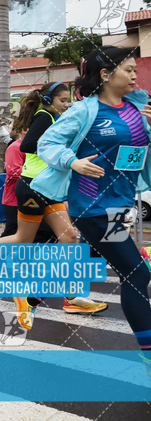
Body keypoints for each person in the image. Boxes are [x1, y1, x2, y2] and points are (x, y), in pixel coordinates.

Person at [30, 47, 150, 356]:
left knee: (98, 260)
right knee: (136, 273)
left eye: (136, 69)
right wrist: (73, 161)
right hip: (91, 204)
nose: (135, 74)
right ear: (106, 75)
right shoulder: (85, 111)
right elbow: (48, 142)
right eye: (129, 69)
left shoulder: (136, 110)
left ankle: (36, 291)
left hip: (119, 203)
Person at [0, 80, 106, 322]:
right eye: (62, 101)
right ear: (49, 100)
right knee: (22, 239)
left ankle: (72, 297)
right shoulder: (45, 116)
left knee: (69, 237)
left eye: (69, 101)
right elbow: (28, 144)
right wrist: (59, 151)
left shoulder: (55, 118)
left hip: (48, 187)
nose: (66, 105)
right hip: (33, 186)